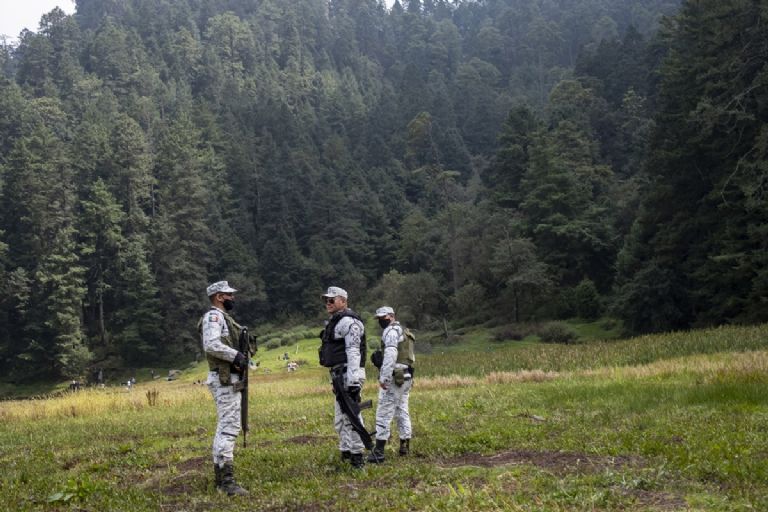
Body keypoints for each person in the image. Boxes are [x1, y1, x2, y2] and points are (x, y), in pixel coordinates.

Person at [199, 280, 251, 496]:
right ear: (219, 297)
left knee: (225, 426)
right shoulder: (214, 317)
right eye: (229, 295)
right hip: (224, 379)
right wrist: (236, 355)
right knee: (229, 427)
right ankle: (227, 482)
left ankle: (221, 476)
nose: (232, 298)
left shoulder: (223, 317)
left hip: (229, 377)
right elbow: (210, 344)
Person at [318, 286, 368, 469]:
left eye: (332, 300)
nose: (328, 304)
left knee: (352, 416)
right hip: (339, 374)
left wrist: (353, 380)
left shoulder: (349, 322)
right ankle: (346, 451)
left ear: (343, 301)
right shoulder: (336, 321)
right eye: (326, 301)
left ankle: (358, 456)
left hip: (349, 373)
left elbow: (353, 351)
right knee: (341, 418)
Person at [368, 306, 415, 463]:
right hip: (406, 376)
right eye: (379, 318)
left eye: (383, 317)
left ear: (392, 316)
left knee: (383, 413)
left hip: (395, 378)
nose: (381, 320)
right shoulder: (405, 332)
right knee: (402, 410)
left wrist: (384, 377)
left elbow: (390, 354)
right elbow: (409, 357)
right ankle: (404, 445)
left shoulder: (390, 332)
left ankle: (379, 452)